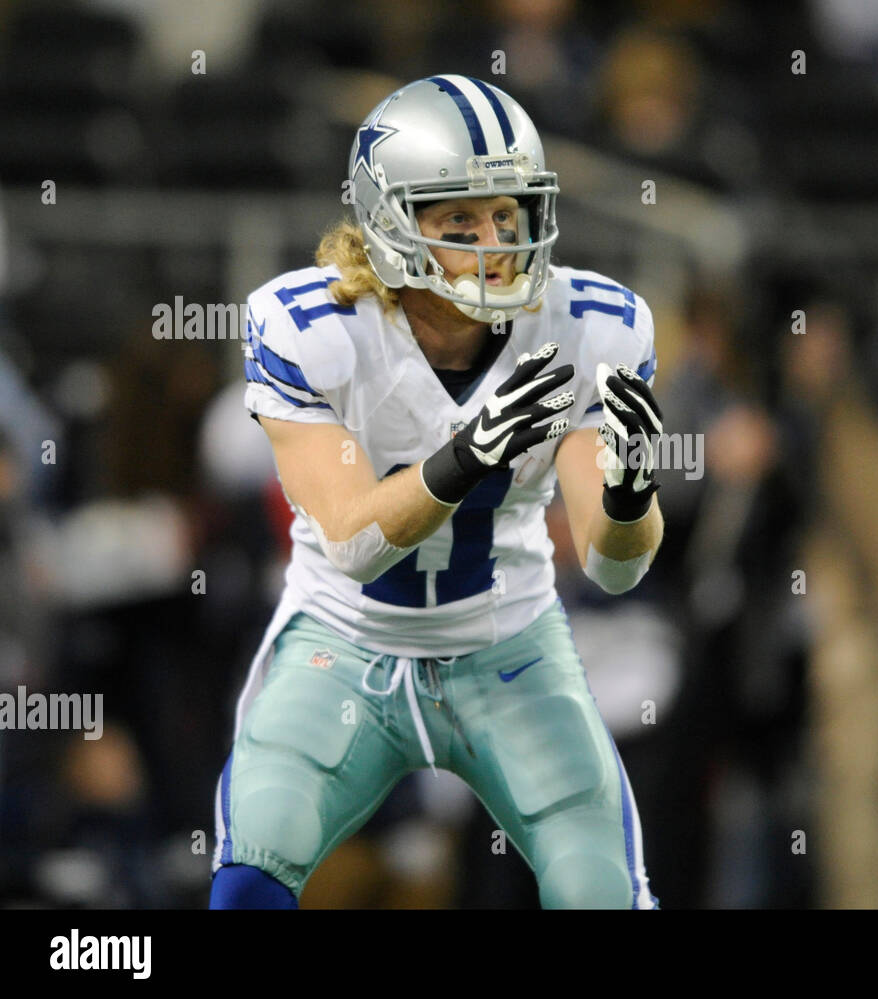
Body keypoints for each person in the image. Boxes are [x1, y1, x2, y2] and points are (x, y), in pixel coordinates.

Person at [209, 75, 663, 909]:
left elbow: (613, 564)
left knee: (603, 890)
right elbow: (351, 538)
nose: (495, 241)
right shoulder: (315, 328)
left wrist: (631, 499)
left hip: (508, 646)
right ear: (389, 223)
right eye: (460, 220)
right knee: (250, 875)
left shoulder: (590, 324)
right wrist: (469, 454)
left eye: (507, 214)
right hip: (346, 643)